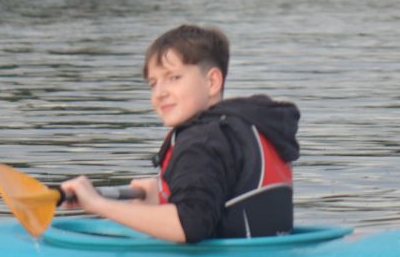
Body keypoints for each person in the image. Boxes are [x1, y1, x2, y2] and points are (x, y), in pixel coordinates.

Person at [59, 24, 300, 243]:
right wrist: (164, 194)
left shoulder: (201, 141)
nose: (160, 92)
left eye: (174, 77)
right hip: (271, 255)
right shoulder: (245, 126)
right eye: (153, 83)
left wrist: (98, 204)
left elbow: (189, 225)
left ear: (212, 82)